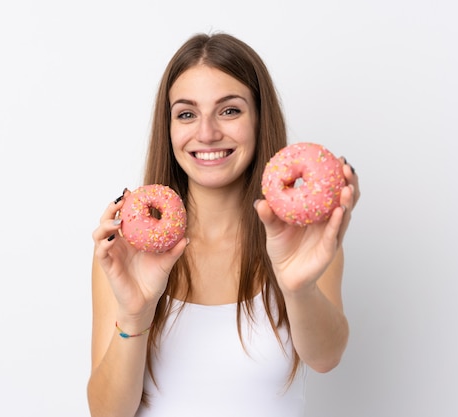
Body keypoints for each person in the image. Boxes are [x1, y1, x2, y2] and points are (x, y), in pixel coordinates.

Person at [87, 32, 360, 417]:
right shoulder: (127, 251)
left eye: (229, 110)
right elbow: (107, 413)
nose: (207, 133)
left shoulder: (305, 238)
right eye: (186, 114)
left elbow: (325, 357)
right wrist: (135, 314)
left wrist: (298, 289)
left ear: (259, 118)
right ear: (168, 128)